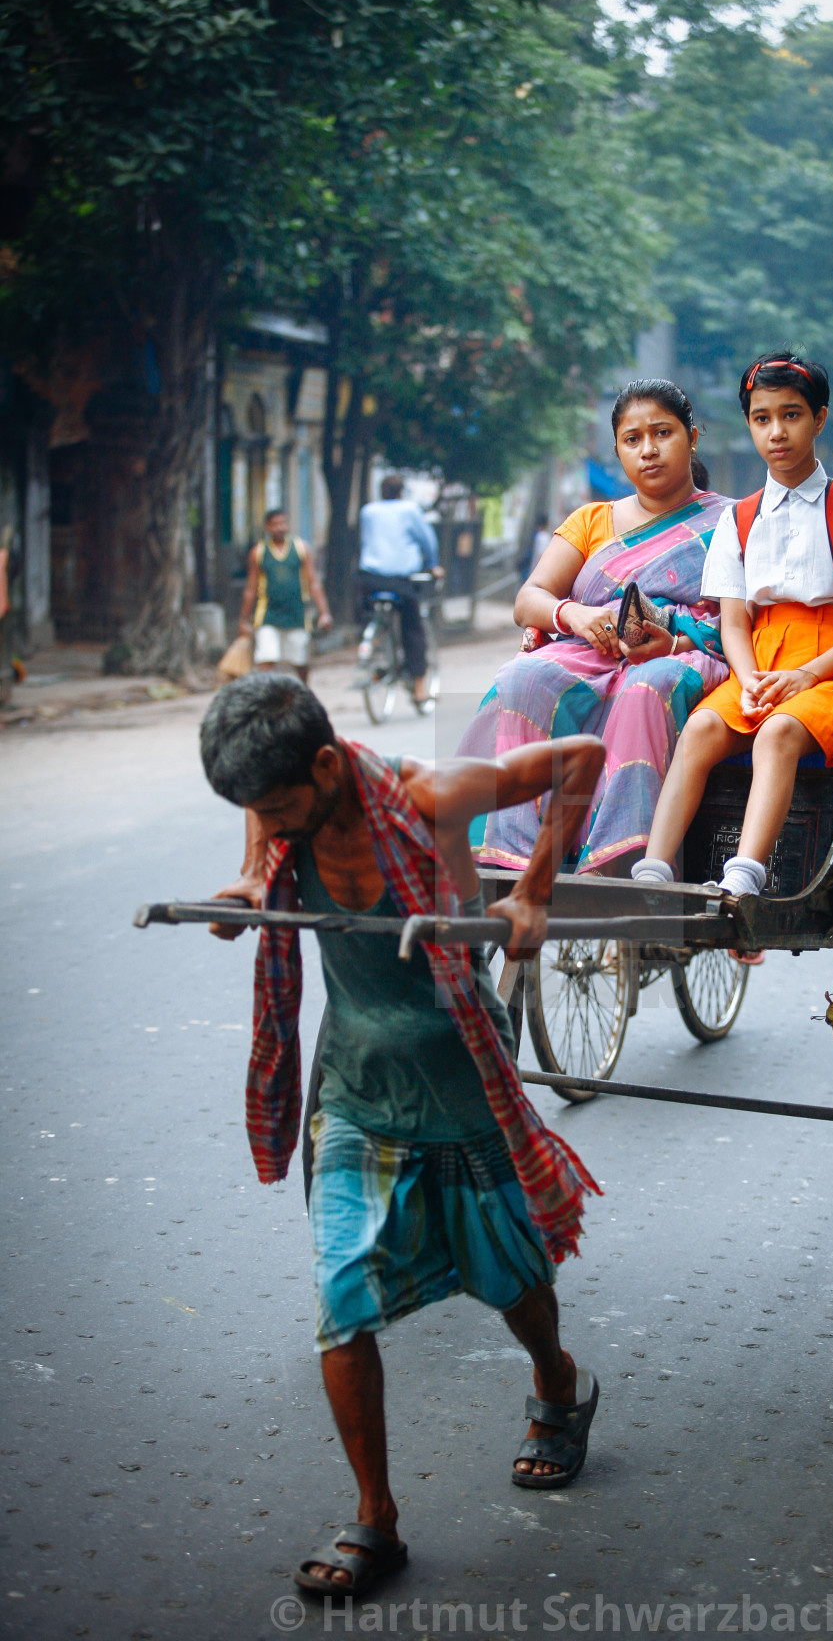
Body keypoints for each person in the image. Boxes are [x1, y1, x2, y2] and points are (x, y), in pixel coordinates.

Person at [200, 673, 605, 1596]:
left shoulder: (432, 794)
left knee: (511, 1279)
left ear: (331, 763)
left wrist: (533, 892)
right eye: (256, 814)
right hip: (355, 1084)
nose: (271, 826)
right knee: (340, 1292)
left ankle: (557, 1381)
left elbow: (580, 760)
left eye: (279, 808)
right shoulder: (279, 810)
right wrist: (246, 889)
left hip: (460, 1067)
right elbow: (263, 856)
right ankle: (376, 1518)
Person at [631, 351, 833, 899]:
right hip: (759, 658)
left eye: (791, 415)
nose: (776, 432)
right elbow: (734, 620)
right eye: (761, 418)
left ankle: (745, 874)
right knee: (703, 728)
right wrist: (749, 676)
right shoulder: (739, 517)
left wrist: (807, 677)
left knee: (778, 732)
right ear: (749, 424)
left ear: (819, 419)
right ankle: (654, 871)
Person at [457, 380, 729, 875]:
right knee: (522, 678)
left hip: (679, 653)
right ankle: (511, 855)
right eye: (632, 439)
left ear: (692, 437)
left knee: (647, 687)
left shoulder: (732, 523)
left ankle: (618, 857)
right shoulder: (591, 519)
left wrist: (673, 637)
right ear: (617, 451)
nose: (648, 450)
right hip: (590, 648)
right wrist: (575, 616)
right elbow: (530, 598)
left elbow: (738, 621)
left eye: (663, 432)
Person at [357, 475, 442, 709]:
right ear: (401, 492)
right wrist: (433, 564)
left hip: (370, 579)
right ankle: (418, 687)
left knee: (368, 613)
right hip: (400, 581)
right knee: (412, 629)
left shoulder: (368, 511)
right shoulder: (410, 510)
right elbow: (427, 540)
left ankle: (370, 643)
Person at [238, 509, 332, 685]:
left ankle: (305, 692)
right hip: (268, 614)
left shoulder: (301, 549)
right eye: (275, 524)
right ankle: (266, 699)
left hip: (296, 614)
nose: (280, 528)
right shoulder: (258, 552)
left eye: (283, 523)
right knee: (266, 659)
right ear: (267, 527)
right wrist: (243, 620)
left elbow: (313, 582)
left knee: (300, 661)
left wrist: (324, 612)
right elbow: (251, 588)